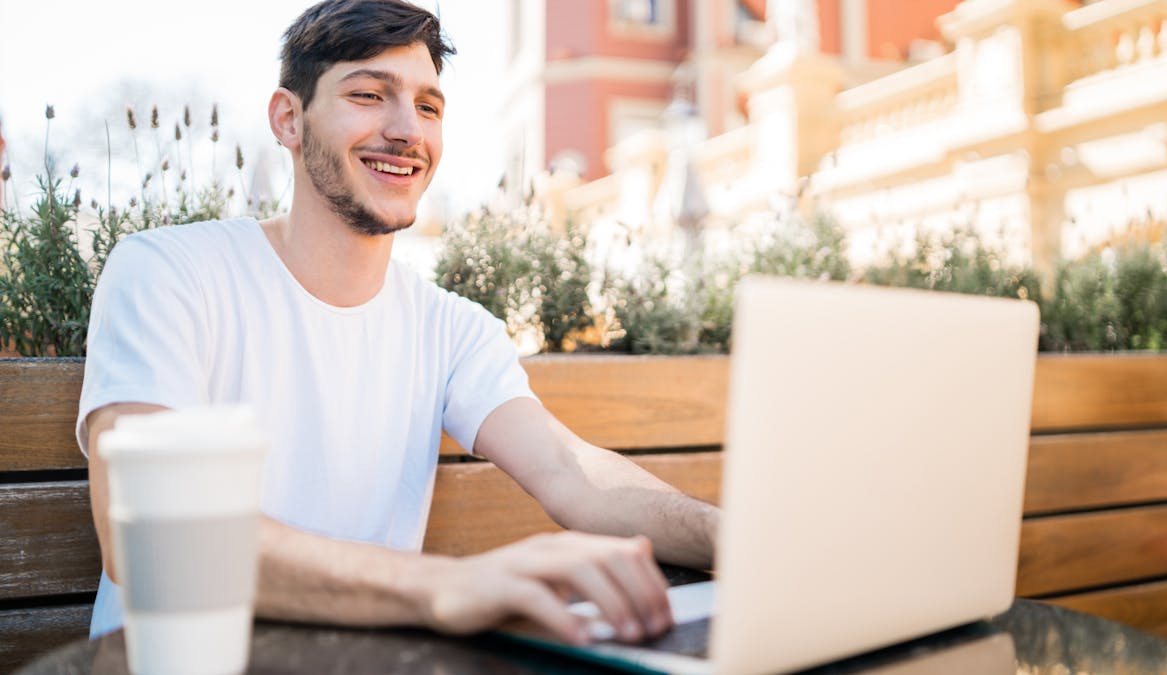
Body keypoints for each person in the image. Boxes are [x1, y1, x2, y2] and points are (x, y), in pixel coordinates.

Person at [78, 0, 720, 648]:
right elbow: (150, 536)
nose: (407, 128)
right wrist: (446, 583)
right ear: (288, 119)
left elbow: (568, 469)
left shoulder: (451, 328)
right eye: (369, 94)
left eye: (429, 106)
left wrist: (727, 535)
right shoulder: (167, 273)